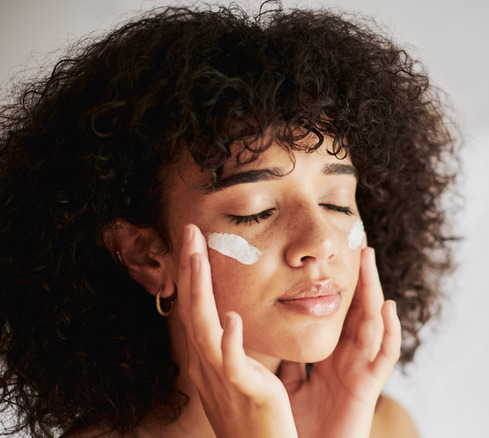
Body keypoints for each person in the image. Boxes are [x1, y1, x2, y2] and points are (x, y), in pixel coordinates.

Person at [0, 3, 457, 438]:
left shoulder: (383, 425)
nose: (321, 242)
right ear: (145, 255)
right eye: (255, 211)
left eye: (337, 202)